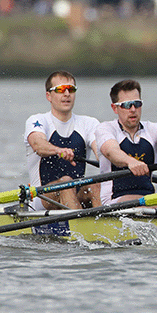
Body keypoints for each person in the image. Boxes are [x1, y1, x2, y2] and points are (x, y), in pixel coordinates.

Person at [25, 70, 100, 210]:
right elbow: (38, 145)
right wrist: (58, 150)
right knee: (66, 183)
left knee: (95, 184)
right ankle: (80, 227)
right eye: (60, 90)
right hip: (41, 199)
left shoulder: (89, 123)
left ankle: (106, 227)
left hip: (75, 195)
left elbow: (101, 151)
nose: (67, 94)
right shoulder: (38, 120)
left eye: (71, 89)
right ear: (49, 96)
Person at [96, 79, 157, 205]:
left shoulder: (154, 129)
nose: (133, 109)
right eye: (127, 105)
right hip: (113, 202)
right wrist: (131, 162)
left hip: (148, 200)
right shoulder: (106, 129)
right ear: (115, 108)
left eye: (137, 104)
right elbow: (111, 151)